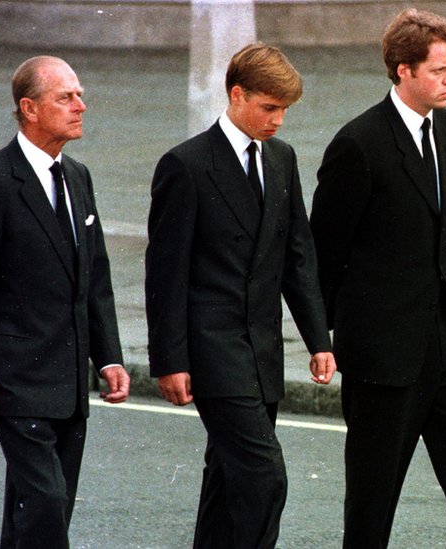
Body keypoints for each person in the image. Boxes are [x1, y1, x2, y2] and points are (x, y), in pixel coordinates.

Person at [310, 8, 446, 548]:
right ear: (402, 70)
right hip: (383, 353)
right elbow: (323, 252)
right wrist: (322, 337)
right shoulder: (358, 144)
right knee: (374, 505)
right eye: (439, 70)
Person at [144, 43, 335, 549]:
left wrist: (319, 339)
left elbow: (298, 256)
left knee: (227, 478)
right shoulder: (185, 165)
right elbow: (165, 273)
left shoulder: (282, 158)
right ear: (236, 94)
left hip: (262, 350)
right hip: (212, 350)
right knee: (263, 474)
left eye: (285, 110)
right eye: (269, 108)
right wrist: (169, 359)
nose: (278, 121)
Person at [0, 55, 130, 549]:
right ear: (29, 108)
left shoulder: (78, 178)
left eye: (80, 95)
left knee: (43, 508)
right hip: (16, 378)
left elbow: (95, 277)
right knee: (44, 502)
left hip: (67, 380)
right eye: (65, 97)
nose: (80, 106)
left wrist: (108, 356)